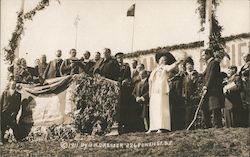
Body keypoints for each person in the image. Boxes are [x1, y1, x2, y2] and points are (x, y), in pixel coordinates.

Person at [147, 52, 183, 133]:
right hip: (154, 91)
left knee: (161, 109)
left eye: (165, 60)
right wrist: (150, 92)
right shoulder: (154, 70)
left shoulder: (165, 67)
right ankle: (152, 127)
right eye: (162, 59)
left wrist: (178, 62)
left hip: (162, 91)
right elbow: (150, 81)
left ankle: (161, 127)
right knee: (153, 109)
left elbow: (171, 67)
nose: (163, 61)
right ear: (159, 61)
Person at [201, 49, 224, 128]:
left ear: (208, 54)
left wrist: (206, 86)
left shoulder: (214, 63)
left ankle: (218, 125)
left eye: (204, 55)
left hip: (214, 90)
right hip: (209, 90)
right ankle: (208, 125)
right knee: (205, 107)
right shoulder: (209, 63)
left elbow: (211, 76)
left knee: (215, 107)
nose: (203, 57)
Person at [0, 80, 22, 144]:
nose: (13, 85)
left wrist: (15, 113)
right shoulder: (5, 93)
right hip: (4, 112)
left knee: (14, 126)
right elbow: (1, 103)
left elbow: (18, 105)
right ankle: (1, 140)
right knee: (2, 126)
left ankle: (17, 139)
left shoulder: (18, 94)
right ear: (10, 85)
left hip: (12, 113)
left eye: (14, 84)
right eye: (12, 84)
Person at [182, 57, 199, 129]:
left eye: (191, 64)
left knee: (193, 113)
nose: (189, 66)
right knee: (187, 114)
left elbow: (197, 86)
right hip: (186, 98)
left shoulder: (195, 74)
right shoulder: (184, 76)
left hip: (193, 97)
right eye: (187, 64)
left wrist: (195, 95)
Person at [239, 52, 250, 127]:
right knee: (245, 102)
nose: (244, 58)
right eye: (243, 57)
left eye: (245, 57)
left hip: (248, 84)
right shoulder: (243, 66)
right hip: (243, 85)